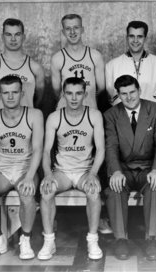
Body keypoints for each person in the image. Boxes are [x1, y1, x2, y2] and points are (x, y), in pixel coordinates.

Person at [0, 75, 44, 260]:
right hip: (3, 171)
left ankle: (25, 240)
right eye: (6, 93)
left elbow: (37, 149)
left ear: (22, 93)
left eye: (14, 92)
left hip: (26, 169)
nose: (10, 97)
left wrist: (29, 177)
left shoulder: (35, 115)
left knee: (27, 193)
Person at [38, 77, 105, 261]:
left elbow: (101, 149)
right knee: (46, 190)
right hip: (63, 172)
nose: (74, 98)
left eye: (78, 93)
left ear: (85, 94)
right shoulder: (54, 117)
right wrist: (48, 174)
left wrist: (92, 174)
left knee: (94, 191)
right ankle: (49, 241)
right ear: (63, 94)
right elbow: (45, 151)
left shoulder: (94, 115)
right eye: (69, 93)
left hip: (85, 171)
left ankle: (92, 239)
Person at [103, 75, 156, 261]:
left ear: (139, 90)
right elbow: (111, 146)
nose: (129, 97)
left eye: (132, 92)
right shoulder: (111, 115)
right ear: (118, 95)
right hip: (123, 168)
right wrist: (115, 171)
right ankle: (121, 239)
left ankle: (152, 238)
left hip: (149, 168)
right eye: (123, 94)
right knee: (114, 188)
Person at [0, 18, 45, 111]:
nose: (13, 39)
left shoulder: (35, 68)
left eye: (17, 34)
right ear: (2, 37)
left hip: (27, 124)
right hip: (0, 124)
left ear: (23, 37)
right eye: (8, 34)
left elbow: (39, 100)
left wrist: (28, 116)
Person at [105, 21, 156, 105]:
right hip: (122, 115)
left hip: (151, 115)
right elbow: (111, 98)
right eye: (132, 36)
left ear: (145, 38)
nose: (135, 40)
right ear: (127, 37)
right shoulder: (111, 65)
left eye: (139, 37)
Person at [51, 14, 105, 109]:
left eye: (76, 27)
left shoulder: (95, 56)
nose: (72, 32)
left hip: (90, 111)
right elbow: (56, 91)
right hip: (65, 112)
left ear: (82, 29)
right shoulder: (57, 58)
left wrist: (89, 100)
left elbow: (101, 88)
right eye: (68, 28)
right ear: (63, 32)